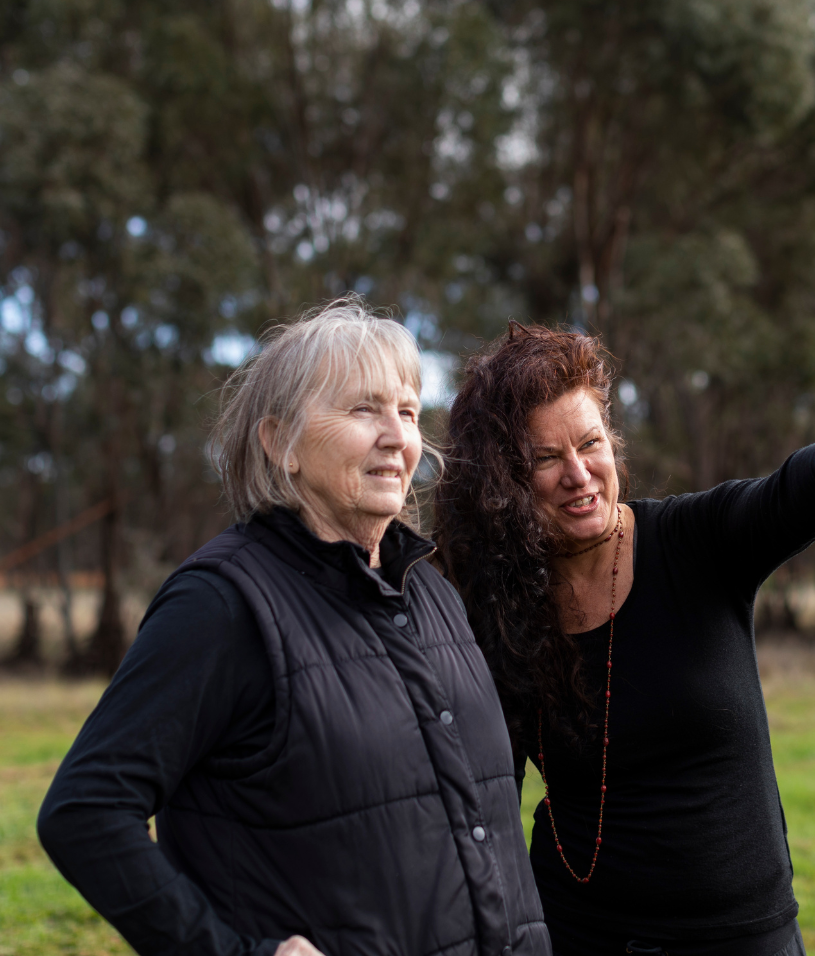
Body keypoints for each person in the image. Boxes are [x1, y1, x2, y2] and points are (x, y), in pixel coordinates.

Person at [38, 299, 551, 956]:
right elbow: (84, 812)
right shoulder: (223, 605)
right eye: (365, 409)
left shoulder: (431, 590)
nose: (397, 436)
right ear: (280, 442)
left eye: (408, 411)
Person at [433, 324, 815, 956]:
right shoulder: (497, 604)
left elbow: (775, 501)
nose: (579, 474)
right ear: (504, 484)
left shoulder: (694, 542)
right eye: (545, 459)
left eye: (590, 443)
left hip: (739, 937)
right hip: (578, 933)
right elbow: (487, 795)